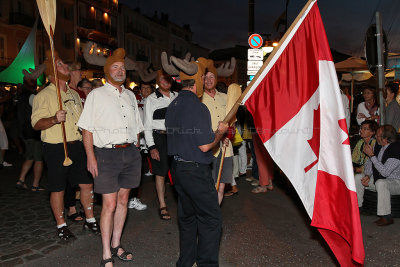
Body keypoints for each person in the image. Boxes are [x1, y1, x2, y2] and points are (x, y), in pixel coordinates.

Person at [78, 48, 143, 267]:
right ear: (107, 72)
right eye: (115, 67)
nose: (120, 70)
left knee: (124, 200)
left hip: (131, 153)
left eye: (122, 67)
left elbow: (137, 126)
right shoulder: (96, 95)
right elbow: (86, 129)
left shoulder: (131, 95)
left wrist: (137, 146)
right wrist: (91, 157)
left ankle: (116, 244)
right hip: (106, 154)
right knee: (109, 204)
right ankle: (106, 252)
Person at [165, 58, 229, 267]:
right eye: (203, 78)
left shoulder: (173, 104)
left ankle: (186, 261)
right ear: (198, 80)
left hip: (178, 169)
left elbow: (187, 136)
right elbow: (204, 145)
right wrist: (219, 134)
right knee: (211, 220)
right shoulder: (198, 107)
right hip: (195, 170)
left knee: (188, 219)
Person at [31, 50, 98, 240]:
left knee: (86, 184)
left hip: (77, 145)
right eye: (60, 64)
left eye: (64, 64)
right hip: (56, 147)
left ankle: (90, 219)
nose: (65, 67)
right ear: (52, 73)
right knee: (58, 187)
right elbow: (36, 124)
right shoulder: (43, 95)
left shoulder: (74, 95)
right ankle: (61, 225)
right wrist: (53, 119)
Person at [143, 70, 178, 220]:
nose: (165, 81)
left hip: (176, 137)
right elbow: (147, 125)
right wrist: (152, 146)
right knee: (161, 172)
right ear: (158, 81)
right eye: (162, 79)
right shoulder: (151, 99)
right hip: (159, 137)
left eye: (168, 79)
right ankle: (162, 204)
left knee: (178, 171)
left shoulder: (178, 96)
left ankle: (182, 201)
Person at [201, 61, 234, 204]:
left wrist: (228, 136)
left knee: (220, 187)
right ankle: (208, 217)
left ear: (216, 79)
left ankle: (214, 215)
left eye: (211, 77)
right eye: (205, 78)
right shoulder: (198, 99)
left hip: (226, 149)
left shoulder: (225, 98)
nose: (208, 81)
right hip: (208, 149)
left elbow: (232, 122)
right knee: (208, 187)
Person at [354, 125, 400, 226]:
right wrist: (368, 175)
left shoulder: (396, 150)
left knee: (381, 183)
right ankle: (358, 207)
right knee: (358, 178)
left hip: (396, 183)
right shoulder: (378, 145)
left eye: (378, 136)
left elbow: (385, 173)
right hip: (380, 179)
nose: (375, 137)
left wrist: (372, 155)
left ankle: (386, 217)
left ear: (385, 139)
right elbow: (370, 163)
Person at [16, 72, 44, 191]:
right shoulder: (32, 96)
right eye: (32, 80)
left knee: (30, 157)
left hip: (25, 131)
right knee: (39, 159)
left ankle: (21, 180)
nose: (35, 82)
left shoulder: (21, 95)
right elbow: (38, 110)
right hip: (33, 131)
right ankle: (35, 185)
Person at [128, 81, 153, 211]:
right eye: (143, 88)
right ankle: (132, 198)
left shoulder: (155, 101)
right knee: (136, 172)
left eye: (147, 87)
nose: (145, 90)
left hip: (153, 139)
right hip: (139, 142)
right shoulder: (135, 101)